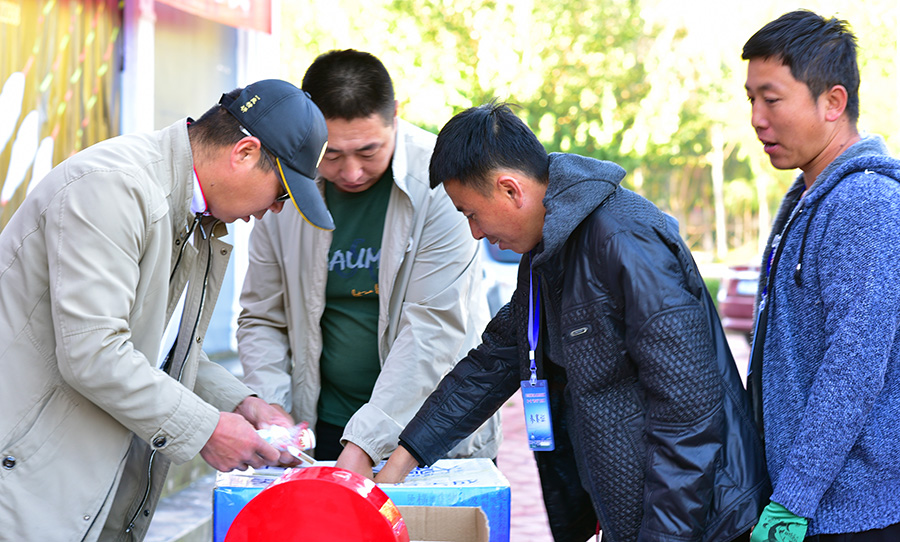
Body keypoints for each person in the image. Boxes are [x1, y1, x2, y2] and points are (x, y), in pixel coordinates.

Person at [375, 102, 769, 542]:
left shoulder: (626, 241)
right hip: (634, 515)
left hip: (701, 522)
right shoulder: (545, 254)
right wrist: (401, 461)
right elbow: (492, 363)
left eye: (470, 213)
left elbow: (689, 416)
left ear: (510, 189)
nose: (476, 233)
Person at [0, 79, 332, 541]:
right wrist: (208, 429)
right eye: (281, 193)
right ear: (244, 153)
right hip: (24, 480)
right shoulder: (114, 187)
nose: (274, 211)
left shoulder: (192, 213)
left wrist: (241, 403)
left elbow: (157, 347)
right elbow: (94, 353)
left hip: (84, 479)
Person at [236, 49, 500, 477]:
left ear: (395, 114)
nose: (352, 172)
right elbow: (263, 316)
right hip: (321, 430)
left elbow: (433, 330)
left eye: (368, 151)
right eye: (331, 154)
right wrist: (273, 410)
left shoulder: (442, 181)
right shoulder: (283, 183)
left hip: (427, 435)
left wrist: (365, 444)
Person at [743, 10, 900, 541]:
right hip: (812, 506)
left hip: (855, 514)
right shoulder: (814, 197)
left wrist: (792, 500)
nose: (757, 118)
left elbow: (852, 369)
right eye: (750, 99)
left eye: (772, 99)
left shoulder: (866, 203)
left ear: (833, 102)